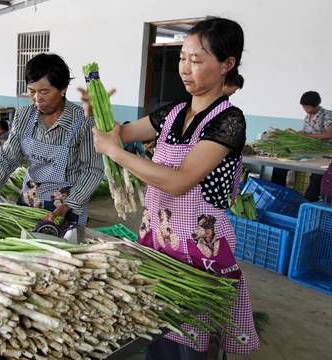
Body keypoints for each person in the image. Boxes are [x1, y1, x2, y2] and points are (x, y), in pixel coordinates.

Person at [82, 18, 259, 358]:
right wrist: (100, 116)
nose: (185, 68)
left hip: (199, 253)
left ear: (227, 65)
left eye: (197, 60)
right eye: (182, 57)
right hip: (159, 243)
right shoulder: (173, 113)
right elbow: (123, 132)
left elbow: (179, 182)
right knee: (157, 337)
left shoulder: (229, 121)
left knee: (190, 343)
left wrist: (116, 152)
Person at [0, 53, 104, 239]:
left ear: (63, 88)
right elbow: (7, 158)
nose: (37, 98)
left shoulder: (83, 121)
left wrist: (64, 208)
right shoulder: (24, 116)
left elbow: (92, 170)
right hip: (30, 203)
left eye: (44, 92)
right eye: (32, 91)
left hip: (68, 208)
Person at [271, 91, 332, 200]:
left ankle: (308, 202)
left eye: (307, 107)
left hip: (322, 153)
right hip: (306, 151)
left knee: (317, 175)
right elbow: (305, 133)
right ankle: (276, 195)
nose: (305, 109)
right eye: (303, 107)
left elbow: (329, 134)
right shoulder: (307, 116)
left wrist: (309, 136)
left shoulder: (327, 115)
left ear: (316, 104)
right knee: (280, 167)